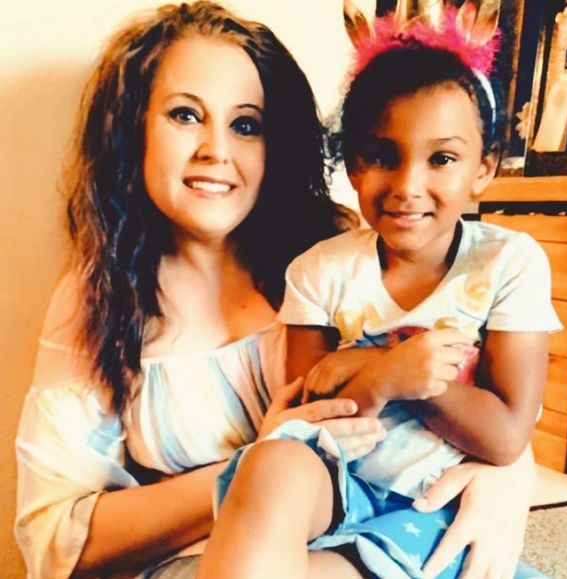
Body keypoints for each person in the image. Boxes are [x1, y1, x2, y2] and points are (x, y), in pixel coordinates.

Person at [15, 2, 538, 578]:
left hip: (359, 539)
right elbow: (55, 542)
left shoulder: (335, 250)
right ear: (131, 127)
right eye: (185, 115)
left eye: (245, 125)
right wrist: (254, 467)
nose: (216, 151)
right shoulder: (100, 298)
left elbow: (453, 378)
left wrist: (508, 476)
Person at [197, 7, 560, 579]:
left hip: (438, 509)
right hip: (341, 488)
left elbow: (506, 437)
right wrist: (387, 374)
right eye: (382, 156)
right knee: (273, 463)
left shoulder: (508, 263)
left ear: (483, 167)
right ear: (352, 165)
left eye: (442, 159)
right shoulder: (319, 271)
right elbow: (309, 420)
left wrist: (384, 369)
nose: (408, 186)